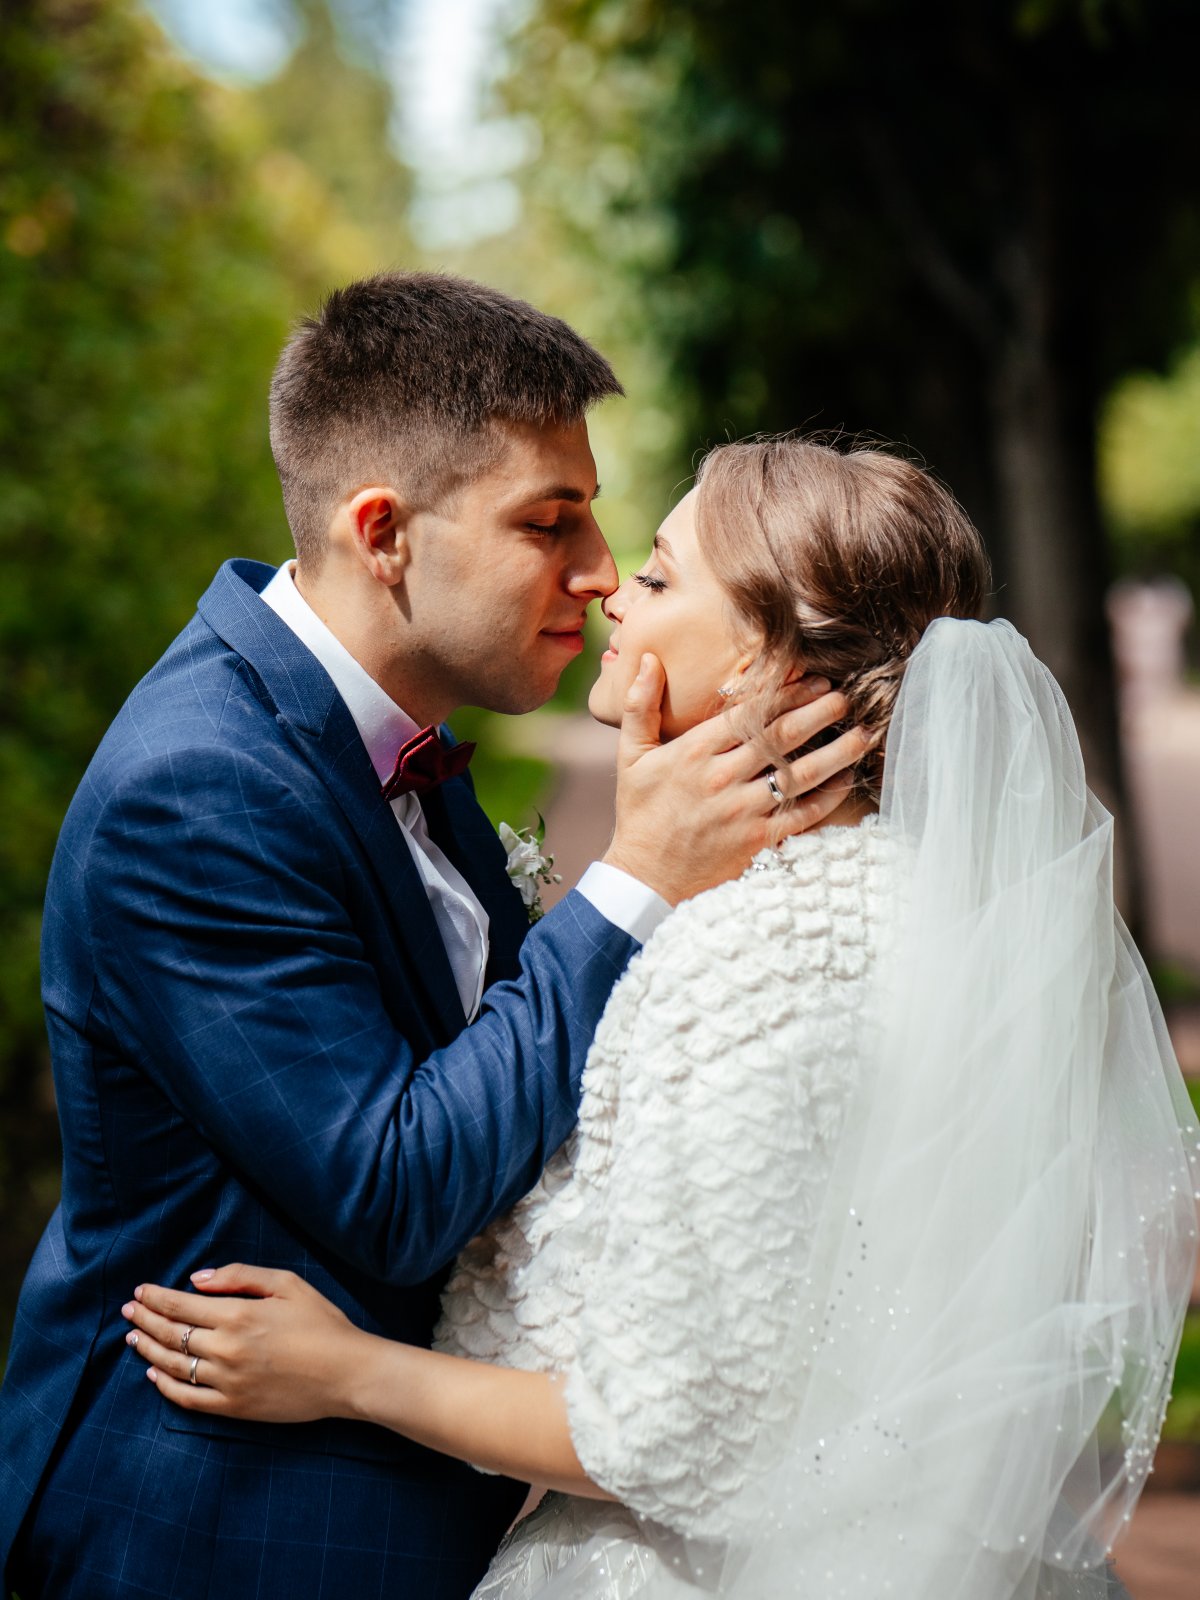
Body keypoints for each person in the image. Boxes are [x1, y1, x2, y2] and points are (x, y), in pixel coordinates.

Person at [121, 437, 1199, 1600]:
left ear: (769, 667)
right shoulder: (900, 907)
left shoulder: (760, 960)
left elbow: (676, 1437)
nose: (611, 592)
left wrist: (347, 1371)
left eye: (659, 575)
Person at [0, 282, 860, 1600]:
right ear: (384, 533)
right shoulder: (198, 787)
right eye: (548, 522)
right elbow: (393, 1190)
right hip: (219, 1527)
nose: (598, 572)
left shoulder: (400, 740)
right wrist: (635, 879)